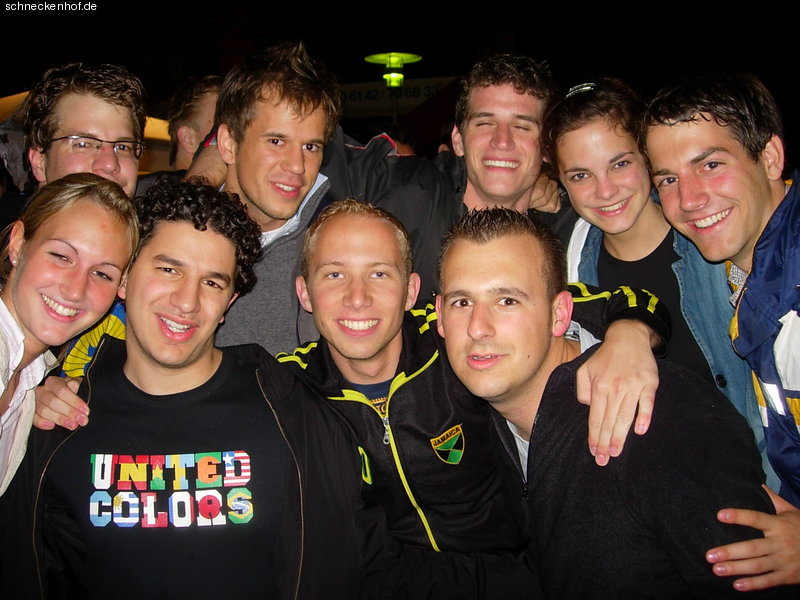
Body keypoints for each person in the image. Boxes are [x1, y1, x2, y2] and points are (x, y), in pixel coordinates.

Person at [0, 179, 386, 598]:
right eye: (169, 269)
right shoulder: (56, 418)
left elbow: (346, 565)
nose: (187, 301)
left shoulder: (296, 416)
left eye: (212, 282)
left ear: (229, 303)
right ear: (124, 280)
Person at [436, 207, 799, 598]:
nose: (478, 328)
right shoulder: (487, 416)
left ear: (559, 314)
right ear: (438, 316)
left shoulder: (657, 421)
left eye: (507, 301)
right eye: (461, 303)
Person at [542, 77, 774, 487]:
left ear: (647, 158)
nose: (605, 190)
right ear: (559, 181)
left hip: (760, 484)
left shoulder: (718, 235)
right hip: (659, 493)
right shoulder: (569, 270)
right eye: (580, 175)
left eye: (620, 163)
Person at [644, 73, 800, 591]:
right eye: (668, 179)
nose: (689, 199)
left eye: (710, 164)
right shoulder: (751, 277)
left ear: (770, 158)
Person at [0, 173, 137, 494]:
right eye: (61, 256)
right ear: (18, 243)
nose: (76, 290)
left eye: (102, 273)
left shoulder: (29, 377)